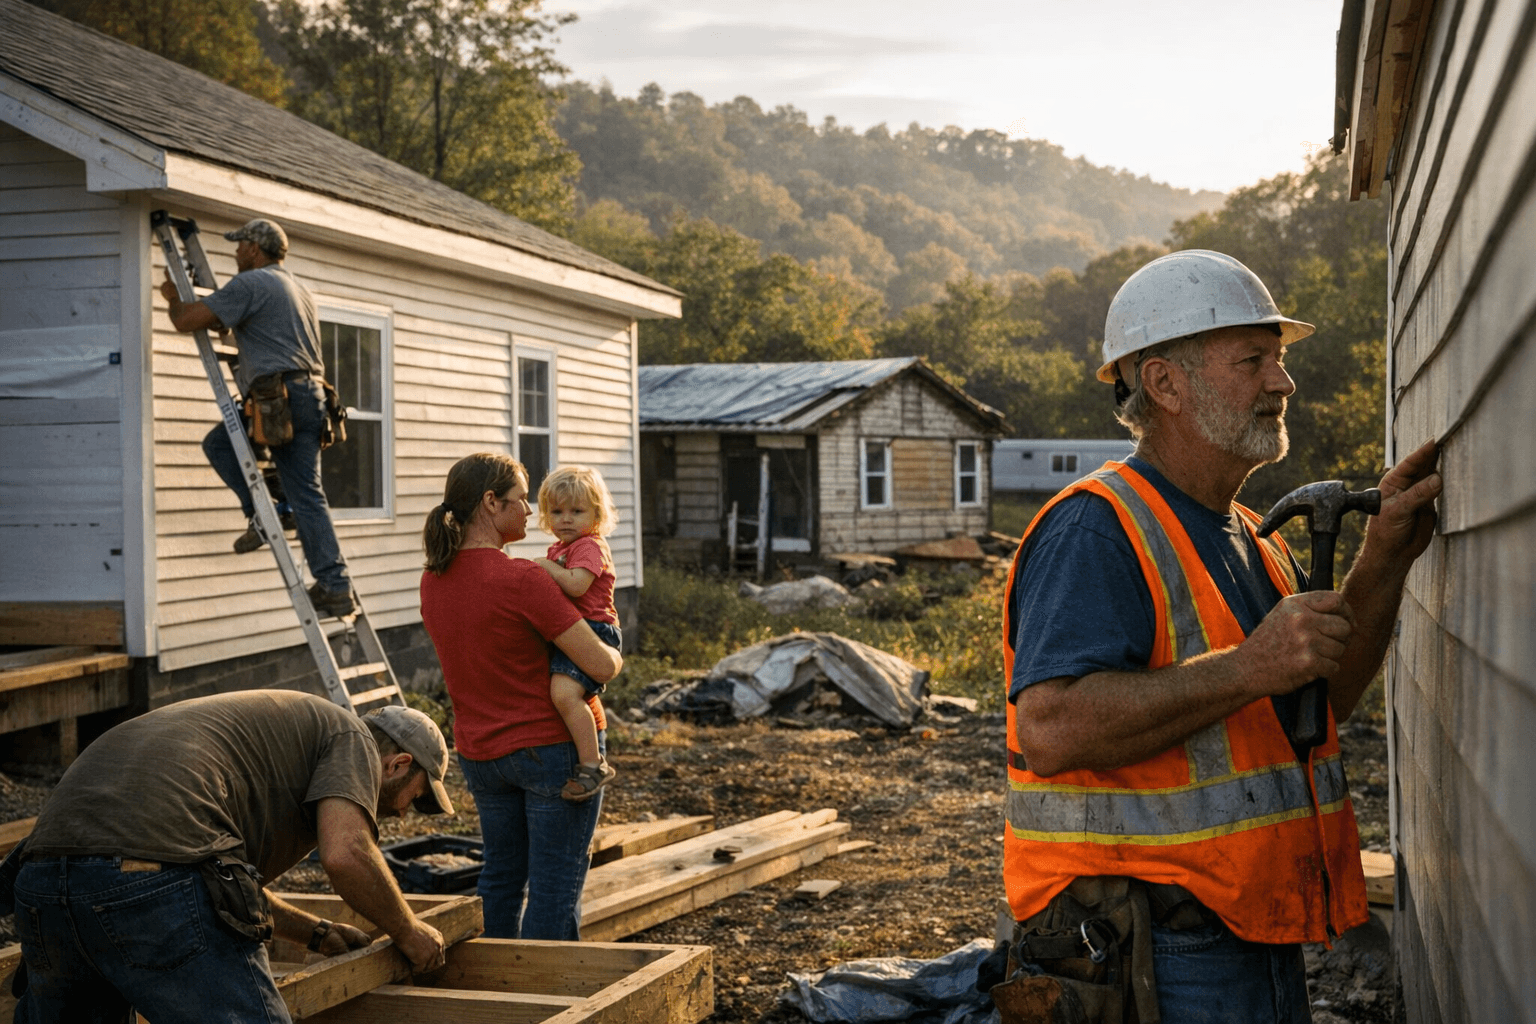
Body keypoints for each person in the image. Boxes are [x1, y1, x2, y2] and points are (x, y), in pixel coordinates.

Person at [999, 250, 1442, 1022]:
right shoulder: (1096, 528)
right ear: (1166, 384)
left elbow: (1316, 699)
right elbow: (1052, 729)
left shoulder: (1249, 535)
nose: (1283, 383)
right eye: (1254, 361)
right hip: (1149, 951)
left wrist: (1386, 557)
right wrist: (1247, 667)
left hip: (1248, 926)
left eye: (1277, 360)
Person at [8, 692, 454, 1023]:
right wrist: (408, 929)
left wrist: (315, 933)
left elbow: (219, 884)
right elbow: (347, 855)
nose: (399, 813)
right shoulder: (351, 737)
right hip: (148, 879)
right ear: (398, 763)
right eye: (414, 799)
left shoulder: (280, 739)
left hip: (43, 879)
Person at [418, 452, 624, 940]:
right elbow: (599, 664)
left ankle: (493, 992)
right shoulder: (523, 578)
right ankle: (545, 1004)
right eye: (520, 500)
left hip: (481, 754)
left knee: (500, 878)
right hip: (550, 752)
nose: (531, 512)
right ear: (491, 503)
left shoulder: (433, 579)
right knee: (553, 890)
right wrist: (616, 648)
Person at [159, 217, 355, 618]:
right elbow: (251, 333)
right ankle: (332, 581)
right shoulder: (297, 288)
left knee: (218, 444)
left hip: (279, 398)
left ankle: (266, 514)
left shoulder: (251, 284)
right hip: (312, 396)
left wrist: (171, 296)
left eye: (239, 245)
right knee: (308, 493)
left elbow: (185, 321)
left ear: (254, 248)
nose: (234, 252)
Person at [532, 465, 623, 802]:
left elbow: (575, 585)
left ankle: (592, 764)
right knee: (561, 694)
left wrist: (544, 567)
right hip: (572, 630)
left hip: (596, 631)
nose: (565, 519)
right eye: (557, 511)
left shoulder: (589, 546)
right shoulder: (561, 548)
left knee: (565, 696)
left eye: (576, 511)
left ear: (596, 515)